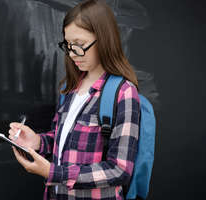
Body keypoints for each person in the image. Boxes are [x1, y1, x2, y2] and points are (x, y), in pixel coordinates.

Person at [7, 0, 141, 199]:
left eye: (79, 45)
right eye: (68, 45)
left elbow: (119, 170)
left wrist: (53, 173)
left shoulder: (124, 93)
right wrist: (36, 141)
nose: (71, 53)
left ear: (104, 40)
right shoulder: (70, 88)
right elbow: (65, 142)